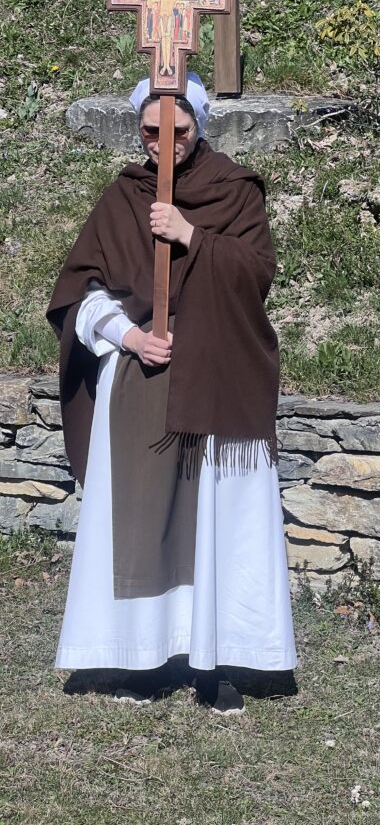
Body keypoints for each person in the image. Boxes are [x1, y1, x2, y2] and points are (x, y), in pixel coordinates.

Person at [47, 74, 296, 714]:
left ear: (199, 126)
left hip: (220, 374)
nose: (164, 143)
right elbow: (80, 292)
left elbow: (257, 273)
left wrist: (191, 236)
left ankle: (218, 661)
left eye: (177, 130)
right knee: (142, 519)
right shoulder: (123, 196)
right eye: (151, 132)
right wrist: (129, 335)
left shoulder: (233, 189)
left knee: (220, 519)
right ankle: (143, 657)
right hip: (142, 380)